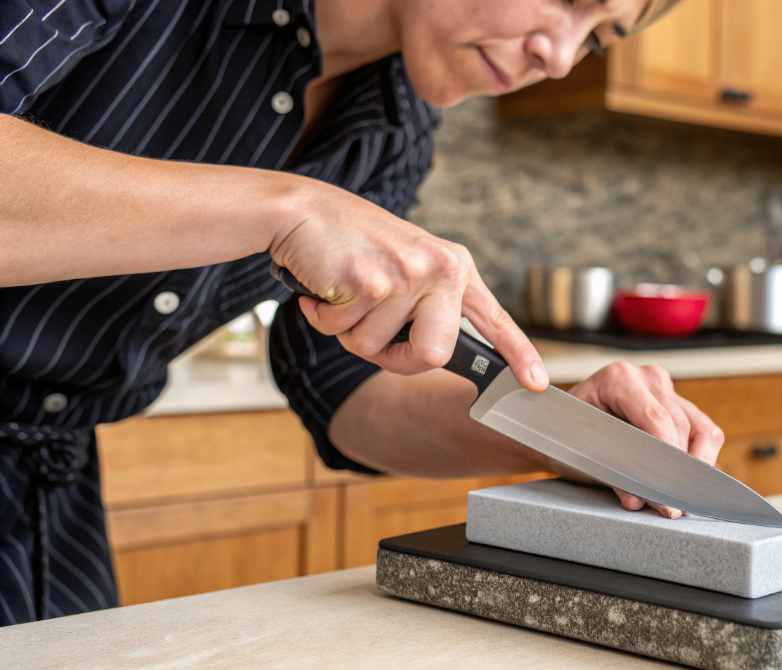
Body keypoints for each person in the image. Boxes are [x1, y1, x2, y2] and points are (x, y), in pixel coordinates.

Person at [0, 0, 711, 626]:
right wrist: (286, 209)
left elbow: (343, 379)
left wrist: (561, 436)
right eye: (566, 0)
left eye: (597, 40)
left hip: (50, 498)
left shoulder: (396, 132)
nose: (559, 57)